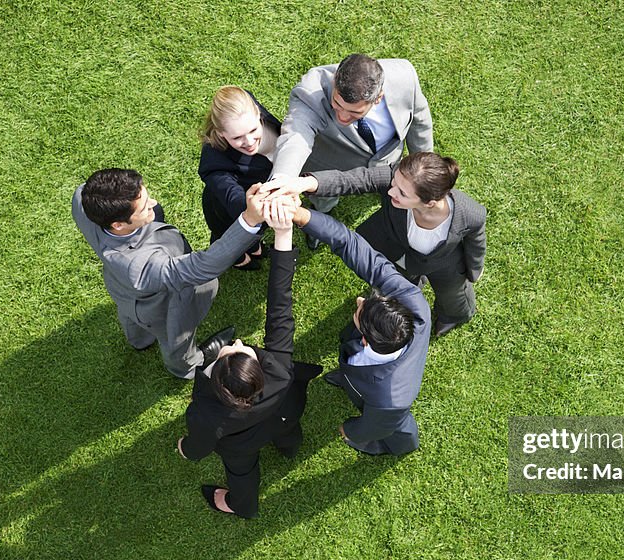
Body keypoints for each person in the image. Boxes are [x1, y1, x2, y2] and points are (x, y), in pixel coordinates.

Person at [177, 196, 322, 518]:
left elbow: (198, 448)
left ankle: (241, 506)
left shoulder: (207, 414)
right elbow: (279, 304)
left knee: (242, 474)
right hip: (286, 413)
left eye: (232, 349)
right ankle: (289, 448)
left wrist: (185, 450)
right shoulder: (280, 370)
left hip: (242, 445)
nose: (239, 340)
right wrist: (283, 235)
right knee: (287, 433)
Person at [71, 168, 268, 379]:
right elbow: (201, 266)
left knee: (130, 314)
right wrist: (249, 220)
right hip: (163, 307)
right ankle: (187, 368)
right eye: (144, 208)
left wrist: (146, 216)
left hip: (121, 289)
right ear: (118, 225)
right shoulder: (140, 265)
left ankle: (140, 341)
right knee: (175, 338)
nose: (153, 203)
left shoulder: (83, 199)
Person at [274, 152, 486, 337]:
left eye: (402, 193)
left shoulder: (470, 213)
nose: (391, 192)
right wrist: (305, 184)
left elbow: (476, 242)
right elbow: (353, 180)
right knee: (393, 286)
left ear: (430, 203)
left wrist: (475, 269)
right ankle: (400, 294)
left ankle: (453, 316)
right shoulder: (400, 177)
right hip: (393, 247)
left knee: (453, 295)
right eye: (394, 183)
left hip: (443, 263)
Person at [289, 204, 431, 455]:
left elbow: (375, 426)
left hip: (386, 412)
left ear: (365, 340)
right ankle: (347, 379)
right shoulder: (413, 303)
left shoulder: (389, 401)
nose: (359, 301)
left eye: (360, 312)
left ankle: (400, 448)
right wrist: (304, 217)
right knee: (355, 382)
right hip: (367, 378)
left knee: (399, 431)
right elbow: (352, 246)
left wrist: (351, 430)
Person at [270, 53, 433, 247]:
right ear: (334, 80)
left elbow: (419, 120)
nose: (342, 117)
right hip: (333, 166)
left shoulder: (405, 77)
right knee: (324, 200)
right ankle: (318, 220)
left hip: (388, 161)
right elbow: (295, 135)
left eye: (355, 112)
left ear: (378, 98)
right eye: (337, 104)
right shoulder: (311, 91)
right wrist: (282, 179)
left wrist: (422, 169)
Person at [198, 86, 282, 270]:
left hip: (260, 197)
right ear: (221, 134)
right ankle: (237, 259)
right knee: (228, 236)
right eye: (237, 138)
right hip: (228, 211)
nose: (250, 142)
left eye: (253, 130)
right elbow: (236, 201)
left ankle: (255, 248)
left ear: (258, 113)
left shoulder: (245, 105)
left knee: (255, 236)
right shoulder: (214, 162)